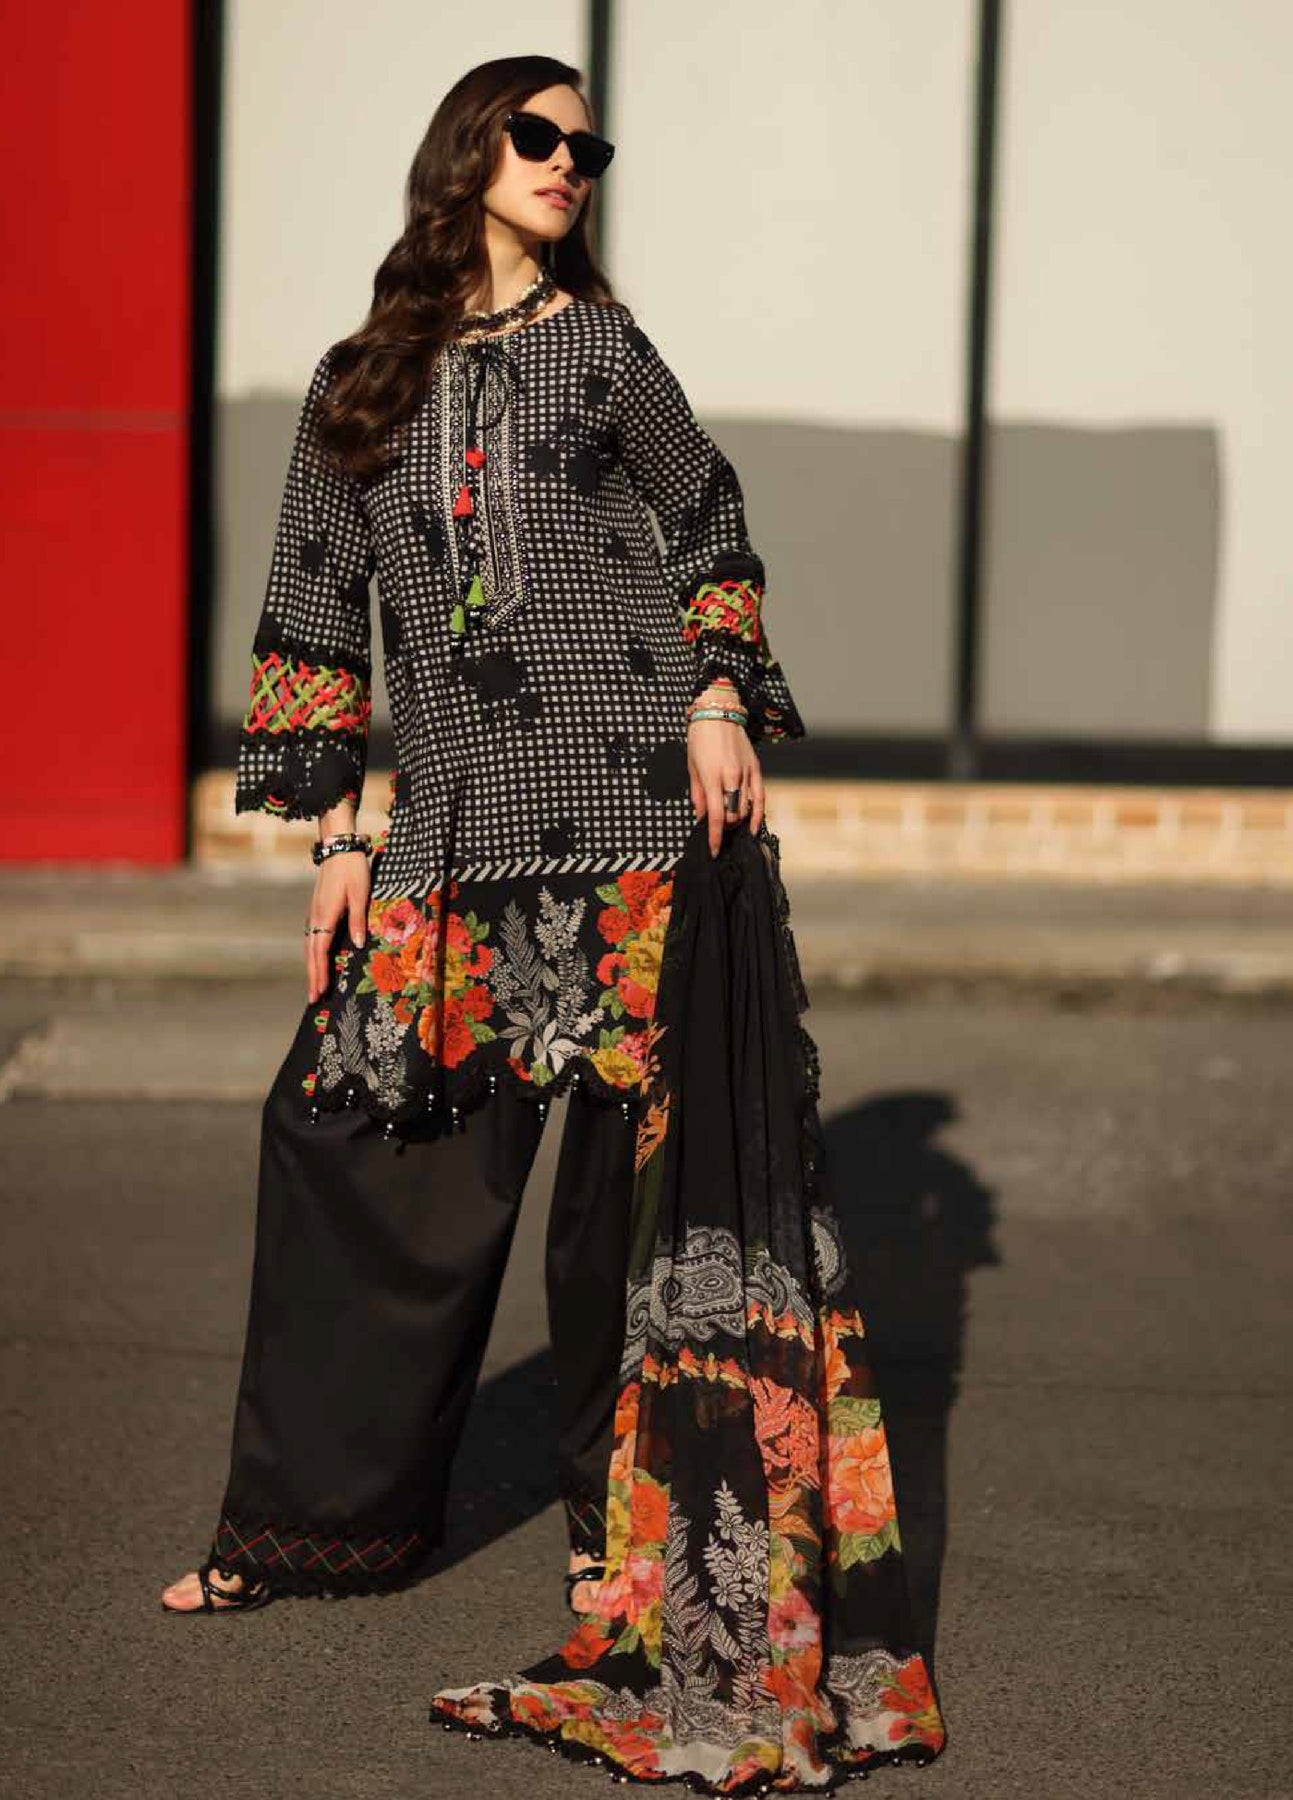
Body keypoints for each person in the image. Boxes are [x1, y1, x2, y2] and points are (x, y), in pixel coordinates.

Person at [162, 49, 947, 1790]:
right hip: (450, 832)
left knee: (618, 1212)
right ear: (469, 150)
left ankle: (622, 1542)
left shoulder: (603, 347)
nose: (570, 163)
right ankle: (302, 1527)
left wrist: (720, 696)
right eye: (541, 135)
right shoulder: (360, 379)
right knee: (344, 1139)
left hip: (629, 815)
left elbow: (707, 517)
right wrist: (336, 835)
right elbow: (315, 602)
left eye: (590, 146)